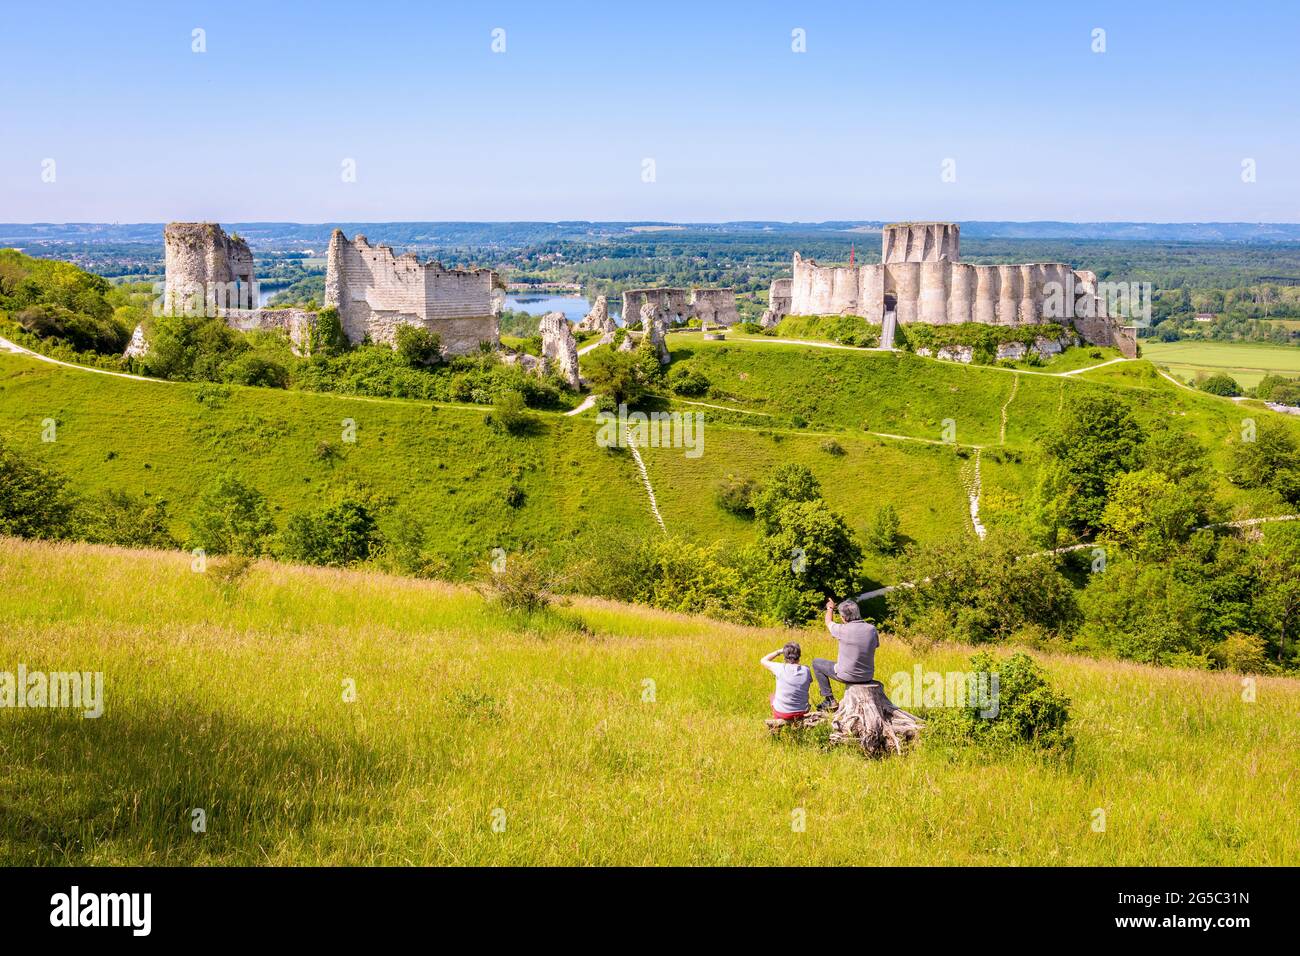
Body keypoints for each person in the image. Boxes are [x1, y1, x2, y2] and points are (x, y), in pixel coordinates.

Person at [812, 598, 879, 712]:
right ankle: (829, 700)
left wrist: (830, 608)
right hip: (867, 676)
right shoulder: (871, 629)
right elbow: (875, 645)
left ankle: (829, 700)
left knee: (816, 663)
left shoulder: (842, 629)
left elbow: (828, 622)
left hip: (847, 676)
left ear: (843, 617)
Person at [761, 641, 812, 720]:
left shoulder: (780, 668)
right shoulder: (806, 670)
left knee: (772, 696)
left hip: (782, 713)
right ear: (799, 656)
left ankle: (777, 724)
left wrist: (779, 651)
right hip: (803, 711)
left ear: (785, 656)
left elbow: (763, 660)